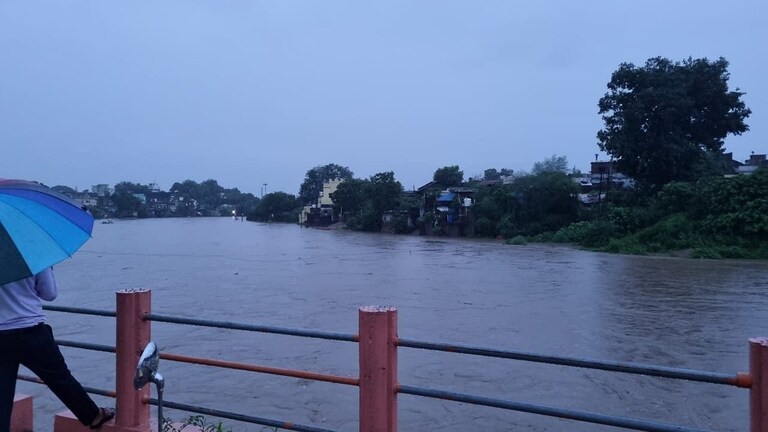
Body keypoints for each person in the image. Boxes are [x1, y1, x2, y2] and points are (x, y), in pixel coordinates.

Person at [0, 268, 114, 432]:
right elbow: (49, 294)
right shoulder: (33, 253)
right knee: (61, 379)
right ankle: (93, 416)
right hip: (31, 331)